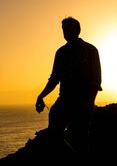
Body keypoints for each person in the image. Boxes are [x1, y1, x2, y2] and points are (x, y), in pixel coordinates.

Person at [35, 17, 102, 155]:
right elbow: (54, 79)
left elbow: (96, 80)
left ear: (77, 30)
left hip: (84, 101)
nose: (66, 33)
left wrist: (89, 102)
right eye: (64, 30)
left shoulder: (91, 50)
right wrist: (41, 96)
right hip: (64, 100)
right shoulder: (60, 53)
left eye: (69, 30)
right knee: (54, 133)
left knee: (81, 138)